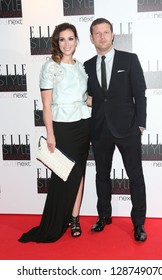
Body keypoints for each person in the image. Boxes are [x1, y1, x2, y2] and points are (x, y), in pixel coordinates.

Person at [18, 23, 91, 243]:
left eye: (71, 38)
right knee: (65, 174)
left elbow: (85, 98)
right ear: (56, 42)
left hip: (83, 125)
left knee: (79, 173)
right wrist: (50, 133)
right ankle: (56, 220)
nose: (67, 43)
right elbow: (47, 105)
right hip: (62, 126)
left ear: (77, 41)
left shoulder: (80, 67)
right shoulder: (50, 66)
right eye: (62, 39)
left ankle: (74, 218)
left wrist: (111, 100)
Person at [84, 18, 147, 242]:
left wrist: (140, 125)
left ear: (113, 35)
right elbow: (89, 97)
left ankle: (138, 223)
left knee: (135, 176)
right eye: (97, 33)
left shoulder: (129, 60)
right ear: (91, 38)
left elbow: (140, 94)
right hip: (99, 130)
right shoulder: (87, 66)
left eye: (106, 32)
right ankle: (104, 216)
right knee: (102, 175)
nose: (102, 36)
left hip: (128, 129)